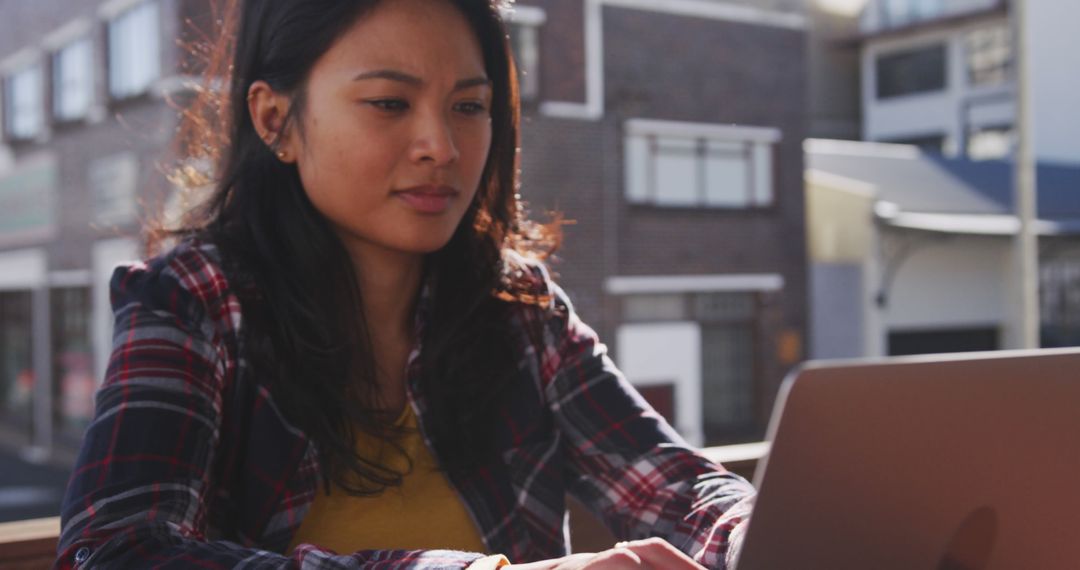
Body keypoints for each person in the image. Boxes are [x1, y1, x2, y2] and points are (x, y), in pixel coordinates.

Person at [55, 0, 756, 568]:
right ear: (276, 121)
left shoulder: (519, 308)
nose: (442, 147)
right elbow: (118, 550)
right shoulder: (190, 303)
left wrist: (752, 532)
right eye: (390, 103)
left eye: (469, 106)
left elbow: (668, 482)